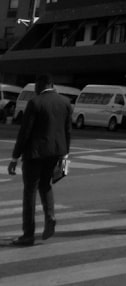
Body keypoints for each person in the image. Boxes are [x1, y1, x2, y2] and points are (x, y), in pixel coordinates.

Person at [7, 73, 72, 246]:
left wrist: (15, 157)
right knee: (46, 185)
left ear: (43, 84)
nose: (35, 88)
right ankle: (50, 215)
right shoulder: (65, 102)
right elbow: (68, 132)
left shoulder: (35, 103)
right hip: (56, 153)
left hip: (35, 154)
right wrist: (65, 155)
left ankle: (28, 234)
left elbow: (25, 133)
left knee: (30, 192)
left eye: (36, 85)